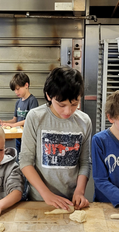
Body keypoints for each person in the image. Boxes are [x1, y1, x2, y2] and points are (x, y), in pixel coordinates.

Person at [19, 66, 91, 210]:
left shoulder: (84, 121)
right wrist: (47, 194)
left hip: (71, 200)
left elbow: (85, 162)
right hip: (40, 199)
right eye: (61, 104)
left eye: (74, 104)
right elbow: (25, 162)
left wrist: (80, 191)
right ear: (48, 96)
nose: (68, 111)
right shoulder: (35, 117)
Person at [0, 72, 39, 153]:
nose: (16, 92)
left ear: (26, 85)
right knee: (18, 157)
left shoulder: (32, 100)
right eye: (14, 90)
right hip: (18, 137)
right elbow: (14, 120)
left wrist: (14, 125)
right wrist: (4, 122)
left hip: (29, 137)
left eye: (18, 89)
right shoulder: (18, 102)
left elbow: (30, 120)